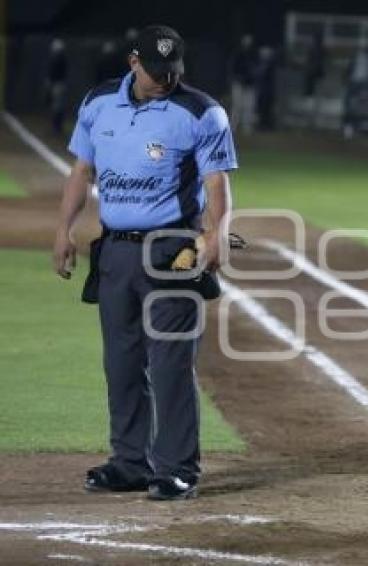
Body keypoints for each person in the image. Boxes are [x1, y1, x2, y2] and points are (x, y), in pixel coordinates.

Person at [52, 25, 237, 501]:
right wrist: (63, 230)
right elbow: (80, 171)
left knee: (171, 362)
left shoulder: (201, 111)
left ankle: (177, 468)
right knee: (122, 361)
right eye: (156, 72)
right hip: (114, 251)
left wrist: (215, 234)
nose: (165, 80)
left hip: (174, 251)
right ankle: (130, 462)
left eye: (172, 71)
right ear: (134, 63)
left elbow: (217, 183)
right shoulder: (97, 103)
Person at [230, 34, 259, 134]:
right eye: (246, 40)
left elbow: (256, 70)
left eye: (249, 40)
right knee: (237, 105)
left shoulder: (254, 54)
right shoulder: (238, 53)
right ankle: (233, 127)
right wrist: (238, 78)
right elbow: (233, 69)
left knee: (249, 106)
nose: (247, 42)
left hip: (249, 84)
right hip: (238, 84)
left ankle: (247, 128)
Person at [46, 38, 68, 135]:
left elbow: (52, 74)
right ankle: (57, 127)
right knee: (58, 106)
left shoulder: (57, 59)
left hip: (57, 85)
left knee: (57, 107)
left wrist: (49, 83)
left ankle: (56, 128)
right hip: (61, 85)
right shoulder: (62, 59)